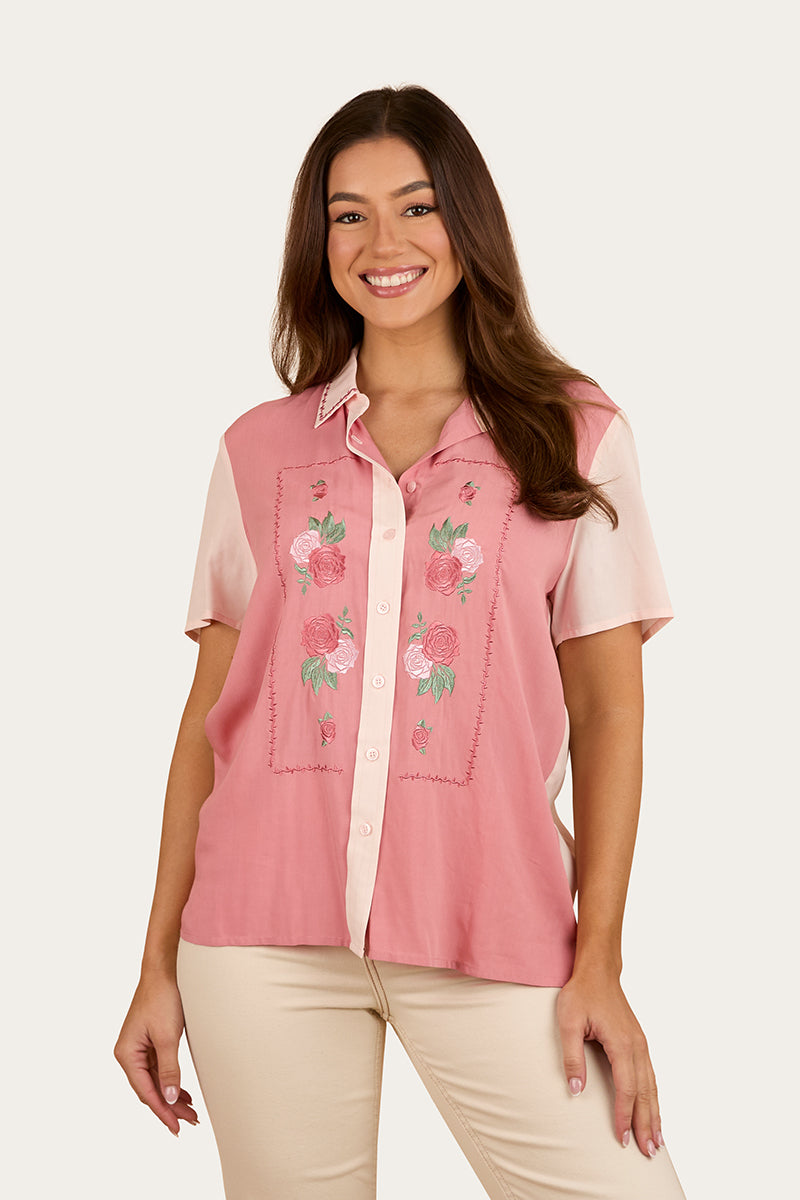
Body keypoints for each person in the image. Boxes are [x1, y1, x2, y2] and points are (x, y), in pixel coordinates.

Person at [114, 85, 687, 1199]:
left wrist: (601, 960)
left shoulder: (574, 436)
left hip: (494, 925)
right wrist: (155, 962)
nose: (384, 242)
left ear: (467, 223)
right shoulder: (259, 452)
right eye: (349, 214)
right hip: (258, 944)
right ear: (318, 240)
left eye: (417, 207)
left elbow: (608, 709)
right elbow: (207, 723)